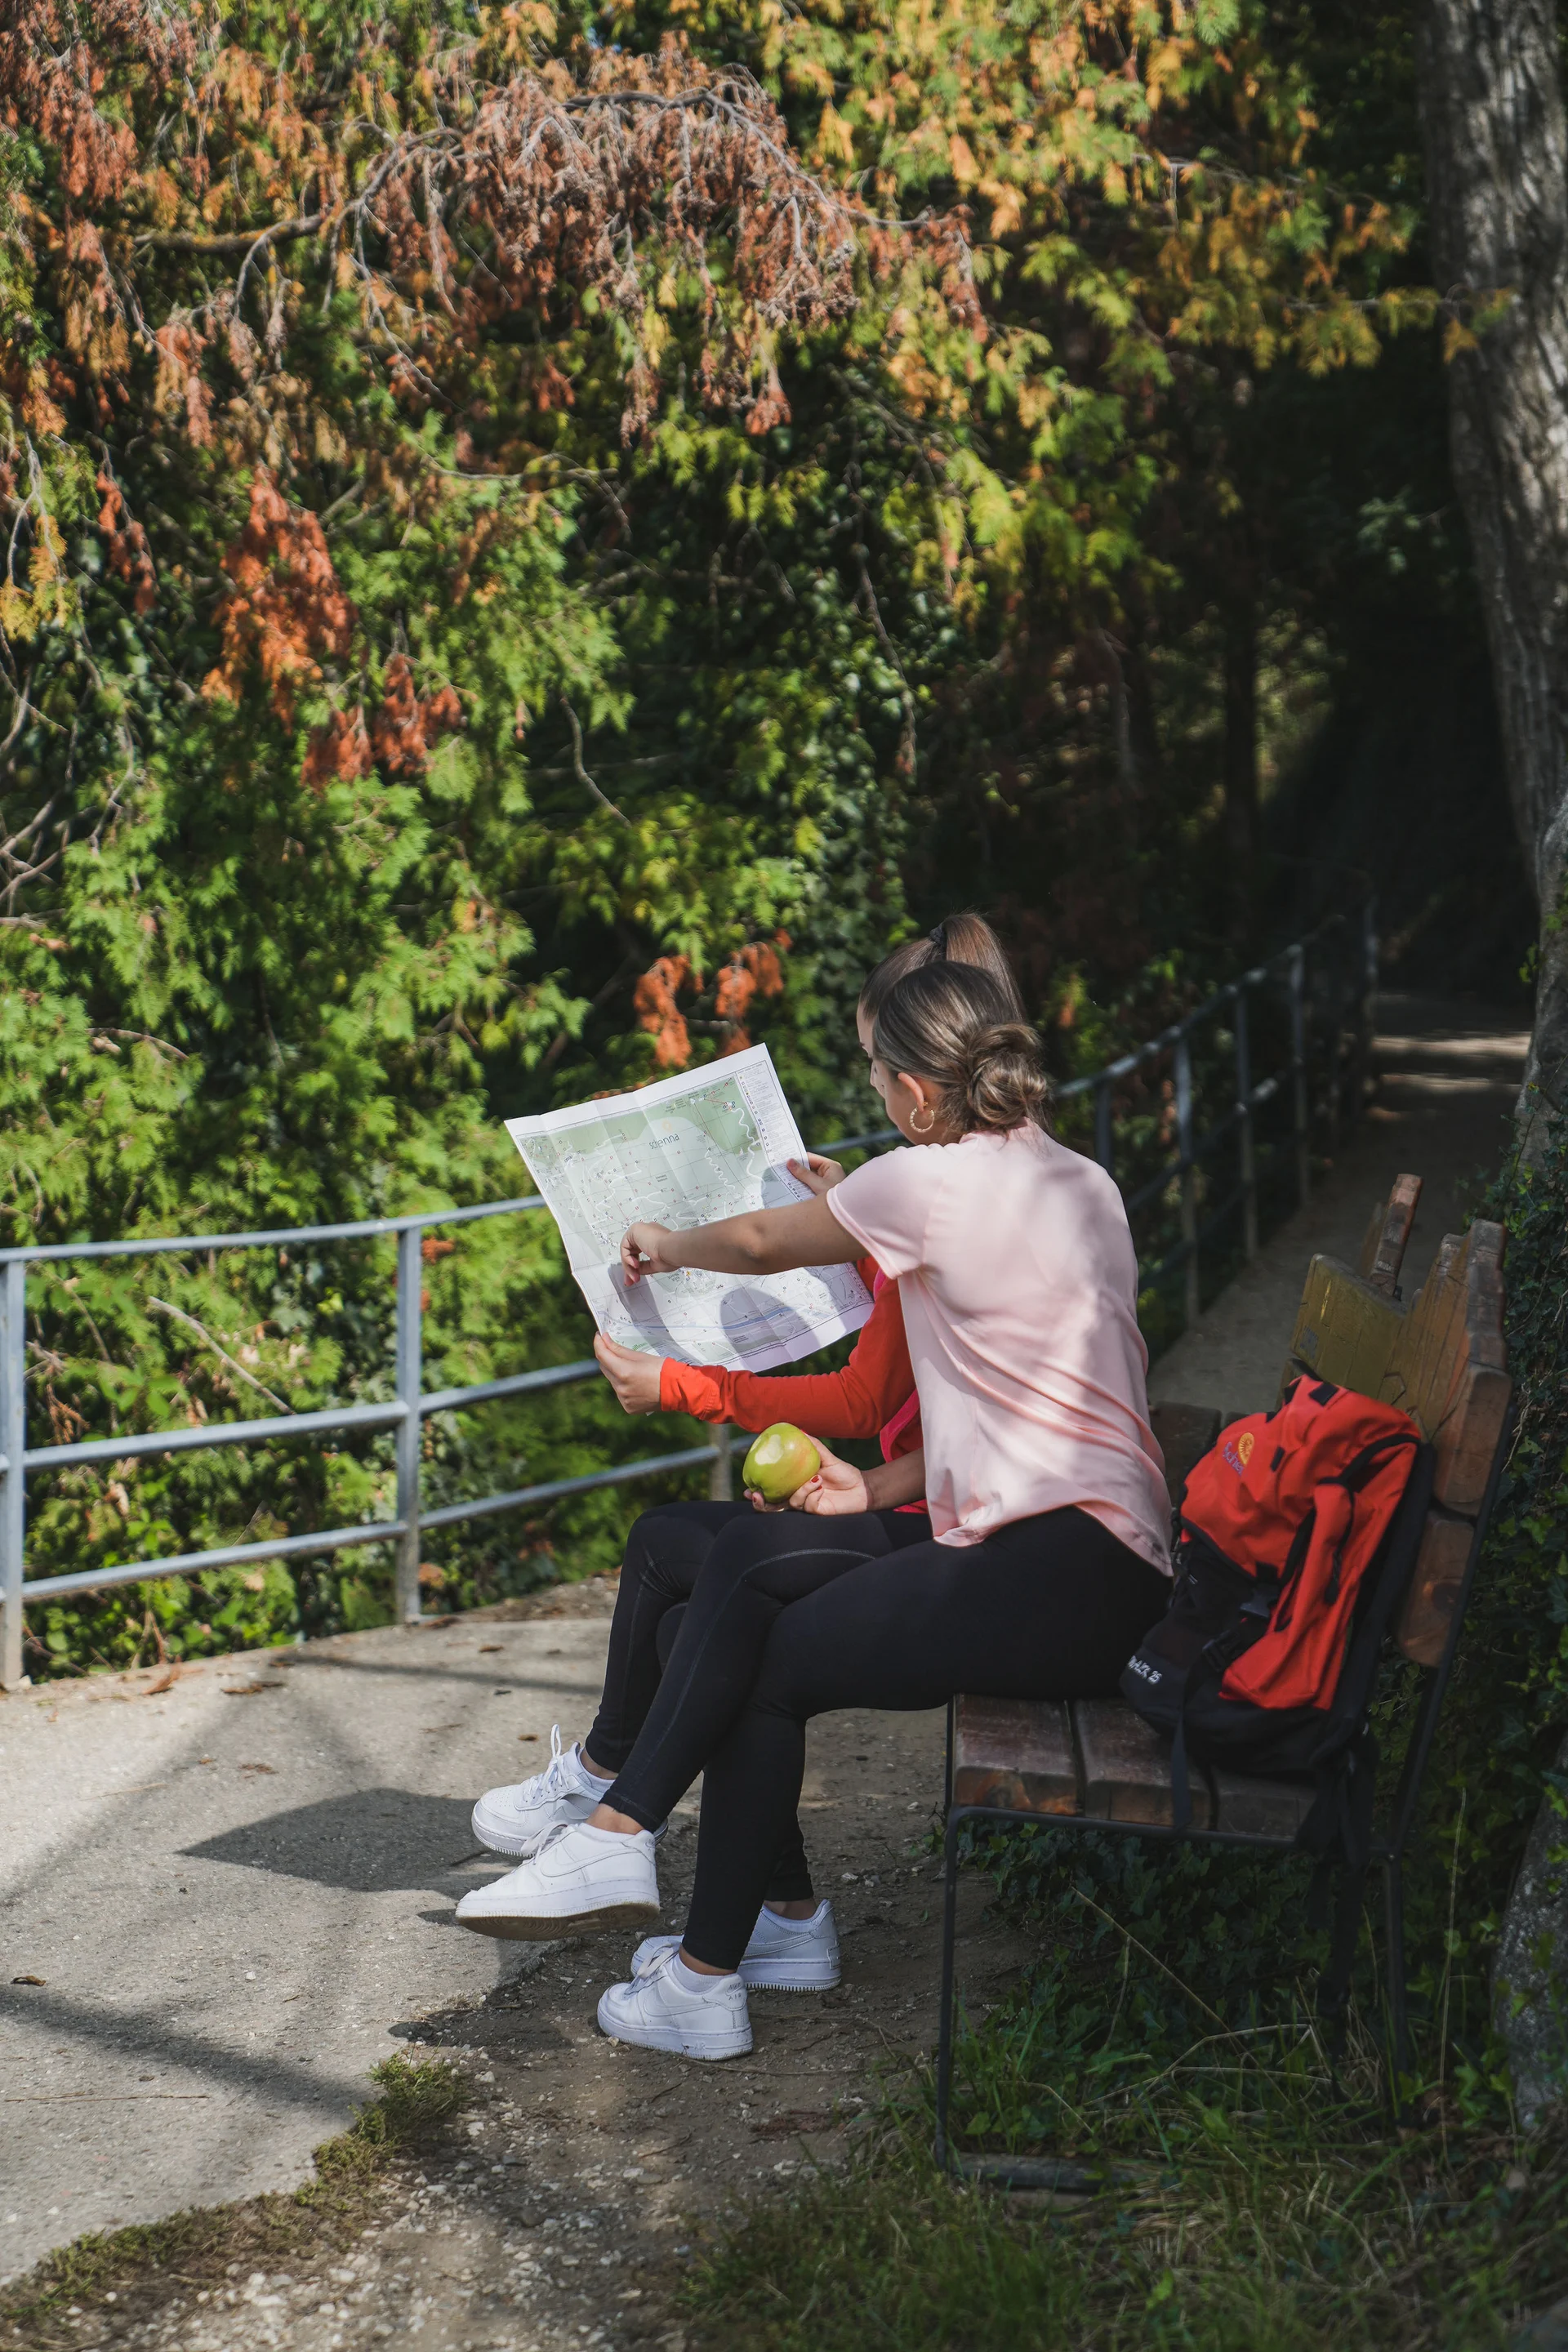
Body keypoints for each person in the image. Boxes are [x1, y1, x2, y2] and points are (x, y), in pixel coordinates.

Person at [456, 960, 1171, 2061]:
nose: (880, 1098)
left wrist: (661, 1241)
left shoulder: (924, 1178)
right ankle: (724, 1910)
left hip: (1045, 1568)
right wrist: (879, 1485)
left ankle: (660, 1898)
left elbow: (753, 1245)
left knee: (765, 1651)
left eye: (880, 1078)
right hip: (1094, 1565)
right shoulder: (1084, 1182)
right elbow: (1019, 1393)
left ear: (921, 1094)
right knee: (735, 1588)